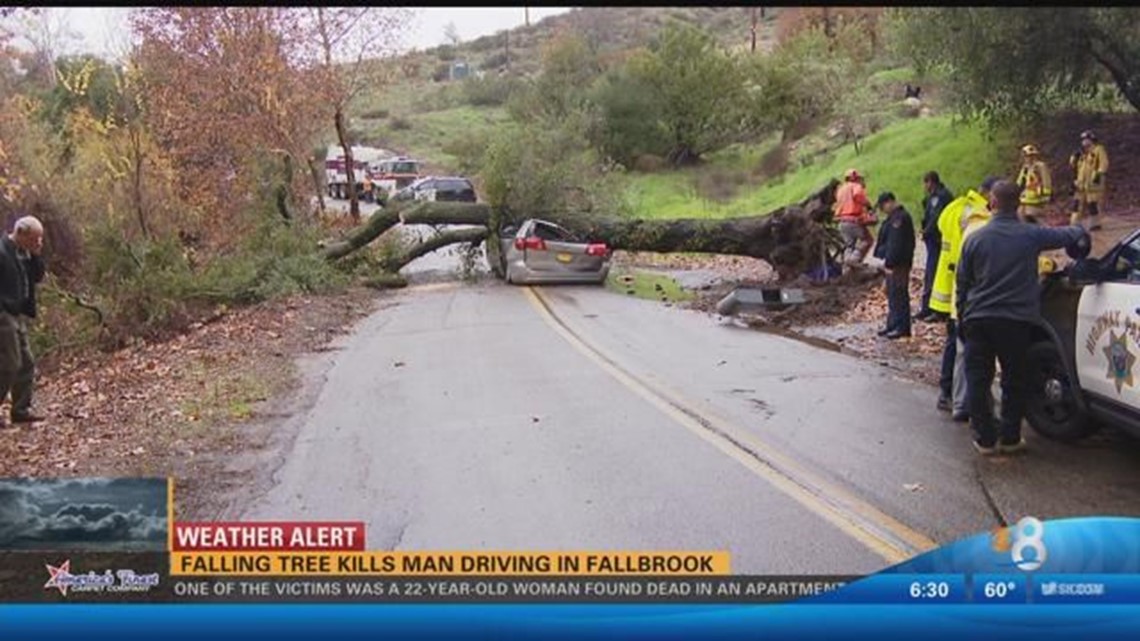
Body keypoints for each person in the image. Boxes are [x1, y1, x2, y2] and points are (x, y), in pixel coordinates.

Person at [956, 181, 1088, 455]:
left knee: (978, 379)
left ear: (992, 202)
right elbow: (1067, 235)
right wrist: (1080, 231)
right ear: (1018, 204)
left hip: (978, 318)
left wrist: (962, 318)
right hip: (1015, 321)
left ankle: (985, 439)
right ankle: (1010, 436)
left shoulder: (975, 239)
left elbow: (963, 283)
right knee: (1014, 379)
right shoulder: (1030, 235)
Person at [930, 176, 997, 415]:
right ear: (990, 194)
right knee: (963, 348)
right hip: (965, 288)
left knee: (953, 343)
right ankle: (963, 400)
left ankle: (948, 394)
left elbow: (938, 227)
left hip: (946, 285)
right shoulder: (979, 216)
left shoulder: (955, 206)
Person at [0, 216, 47, 428]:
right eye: (35, 239)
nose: (38, 243)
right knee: (10, 363)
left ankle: (20, 410)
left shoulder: (25, 253)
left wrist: (36, 256)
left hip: (18, 314)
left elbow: (37, 277)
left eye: (40, 239)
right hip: (4, 314)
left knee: (26, 362)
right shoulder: (2, 252)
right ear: (21, 233)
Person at [872, 192, 915, 339]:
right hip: (893, 263)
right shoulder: (893, 218)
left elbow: (896, 244)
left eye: (883, 206)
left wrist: (889, 262)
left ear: (890, 202)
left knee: (899, 295)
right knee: (892, 295)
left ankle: (902, 327)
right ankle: (893, 324)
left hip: (899, 263)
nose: (883, 210)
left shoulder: (900, 219)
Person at [917, 171, 954, 322]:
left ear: (930, 182)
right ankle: (927, 308)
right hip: (934, 239)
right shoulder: (932, 197)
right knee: (931, 273)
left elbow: (935, 217)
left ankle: (935, 309)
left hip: (938, 239)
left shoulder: (940, 196)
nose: (924, 187)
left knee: (934, 273)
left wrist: (926, 231)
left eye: (925, 183)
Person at [834, 169, 876, 267]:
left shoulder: (841, 190)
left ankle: (847, 266)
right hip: (853, 221)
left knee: (849, 245)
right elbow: (857, 195)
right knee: (867, 240)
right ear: (855, 178)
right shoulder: (856, 186)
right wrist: (868, 205)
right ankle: (855, 260)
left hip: (842, 223)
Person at [1069, 130, 1109, 231]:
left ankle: (1095, 224)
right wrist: (1074, 156)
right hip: (1081, 184)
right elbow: (1074, 166)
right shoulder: (1082, 154)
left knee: (1093, 204)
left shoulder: (1098, 149)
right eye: (1083, 140)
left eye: (1086, 139)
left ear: (1092, 139)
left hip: (1093, 183)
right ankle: (1074, 224)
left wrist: (1099, 174)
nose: (1084, 142)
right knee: (1077, 204)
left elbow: (1104, 163)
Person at [1015, 144, 1052, 224]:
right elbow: (1019, 183)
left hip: (1037, 203)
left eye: (1029, 156)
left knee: (1040, 224)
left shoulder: (1040, 167)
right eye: (1025, 156)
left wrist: (1045, 198)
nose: (1027, 159)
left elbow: (1046, 183)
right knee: (1023, 223)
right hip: (1025, 202)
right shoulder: (1025, 168)